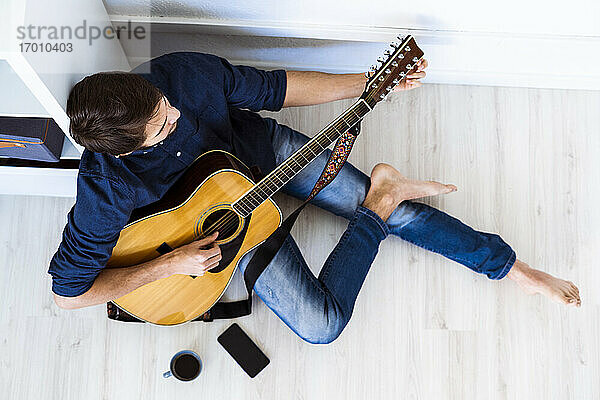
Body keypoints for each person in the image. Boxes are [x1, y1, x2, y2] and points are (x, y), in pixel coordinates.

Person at [49, 52, 580, 344]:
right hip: (226, 225)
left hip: (261, 154)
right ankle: (382, 199)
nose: (178, 117)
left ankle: (511, 268)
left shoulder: (179, 76)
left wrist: (372, 84)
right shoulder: (107, 189)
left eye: (166, 105)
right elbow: (68, 295)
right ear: (125, 152)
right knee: (322, 326)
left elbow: (275, 87)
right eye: (163, 127)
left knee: (406, 216)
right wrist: (169, 266)